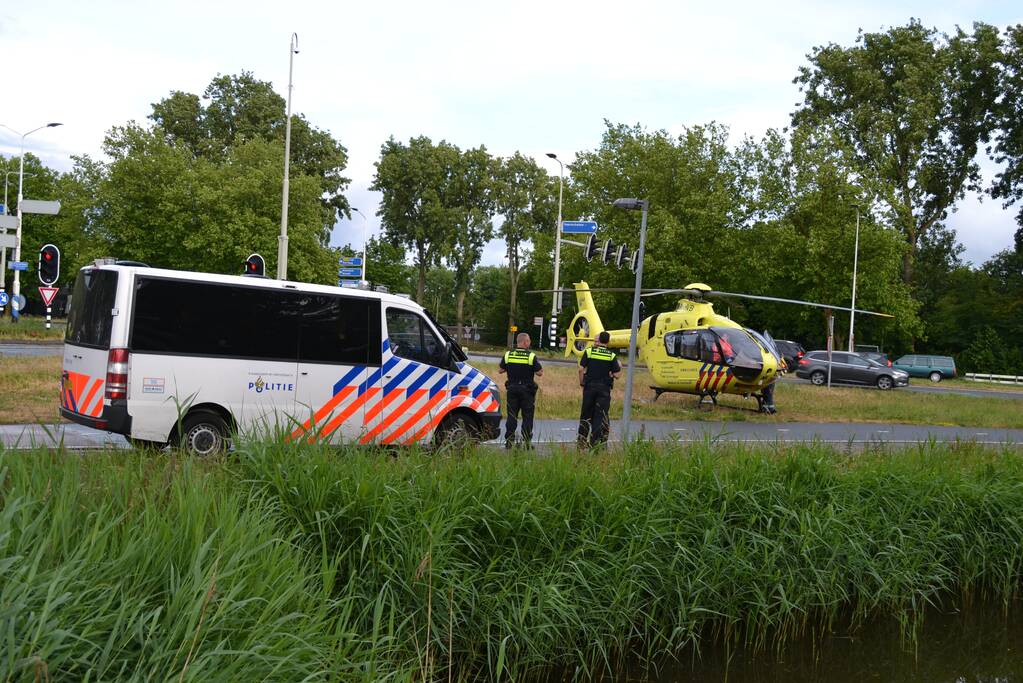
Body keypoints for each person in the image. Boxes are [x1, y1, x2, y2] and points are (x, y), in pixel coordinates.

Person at [577, 331, 622, 449]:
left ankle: (581, 443)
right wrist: (613, 373)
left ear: (599, 340)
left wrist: (582, 382)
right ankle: (595, 443)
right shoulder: (611, 356)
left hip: (589, 388)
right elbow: (617, 375)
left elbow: (581, 369)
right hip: (603, 389)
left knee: (585, 415)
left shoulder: (589, 352)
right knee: (599, 416)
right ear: (608, 341)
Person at [498, 332, 543, 449]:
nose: (529, 343)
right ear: (524, 342)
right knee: (527, 417)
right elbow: (540, 373)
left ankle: (509, 442)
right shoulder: (531, 356)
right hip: (527, 391)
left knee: (511, 416)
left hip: (512, 390)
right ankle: (527, 443)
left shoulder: (508, 355)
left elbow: (500, 370)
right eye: (528, 341)